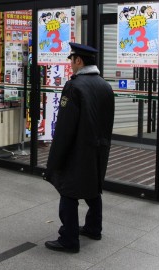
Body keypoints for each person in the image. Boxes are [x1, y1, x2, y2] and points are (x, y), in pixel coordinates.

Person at [44, 42, 114, 253]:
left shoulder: (74, 86)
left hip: (77, 150)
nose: (71, 65)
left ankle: (69, 239)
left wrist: (55, 159)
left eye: (72, 61)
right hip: (99, 148)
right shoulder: (105, 85)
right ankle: (94, 227)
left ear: (79, 61)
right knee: (93, 188)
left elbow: (65, 127)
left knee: (68, 192)